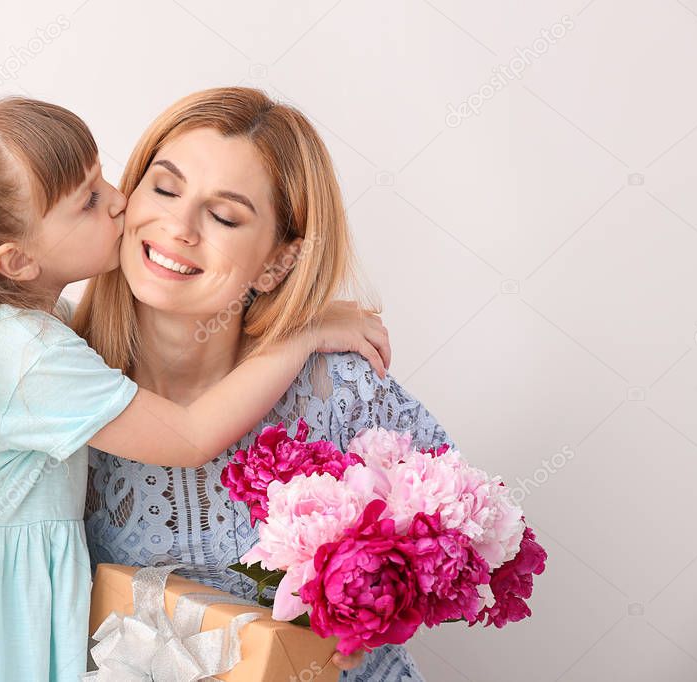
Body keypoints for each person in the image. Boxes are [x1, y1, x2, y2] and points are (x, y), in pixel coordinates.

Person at [0, 88, 392, 682]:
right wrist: (299, 338)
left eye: (105, 180)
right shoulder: (30, 355)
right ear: (18, 262)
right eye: (88, 202)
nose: (120, 202)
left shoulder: (27, 334)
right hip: (4, 632)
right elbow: (189, 434)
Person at [80, 87, 452, 681]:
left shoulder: (338, 387)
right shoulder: (63, 384)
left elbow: (458, 536)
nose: (178, 225)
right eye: (166, 188)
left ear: (278, 262)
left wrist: (378, 609)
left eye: (224, 216)